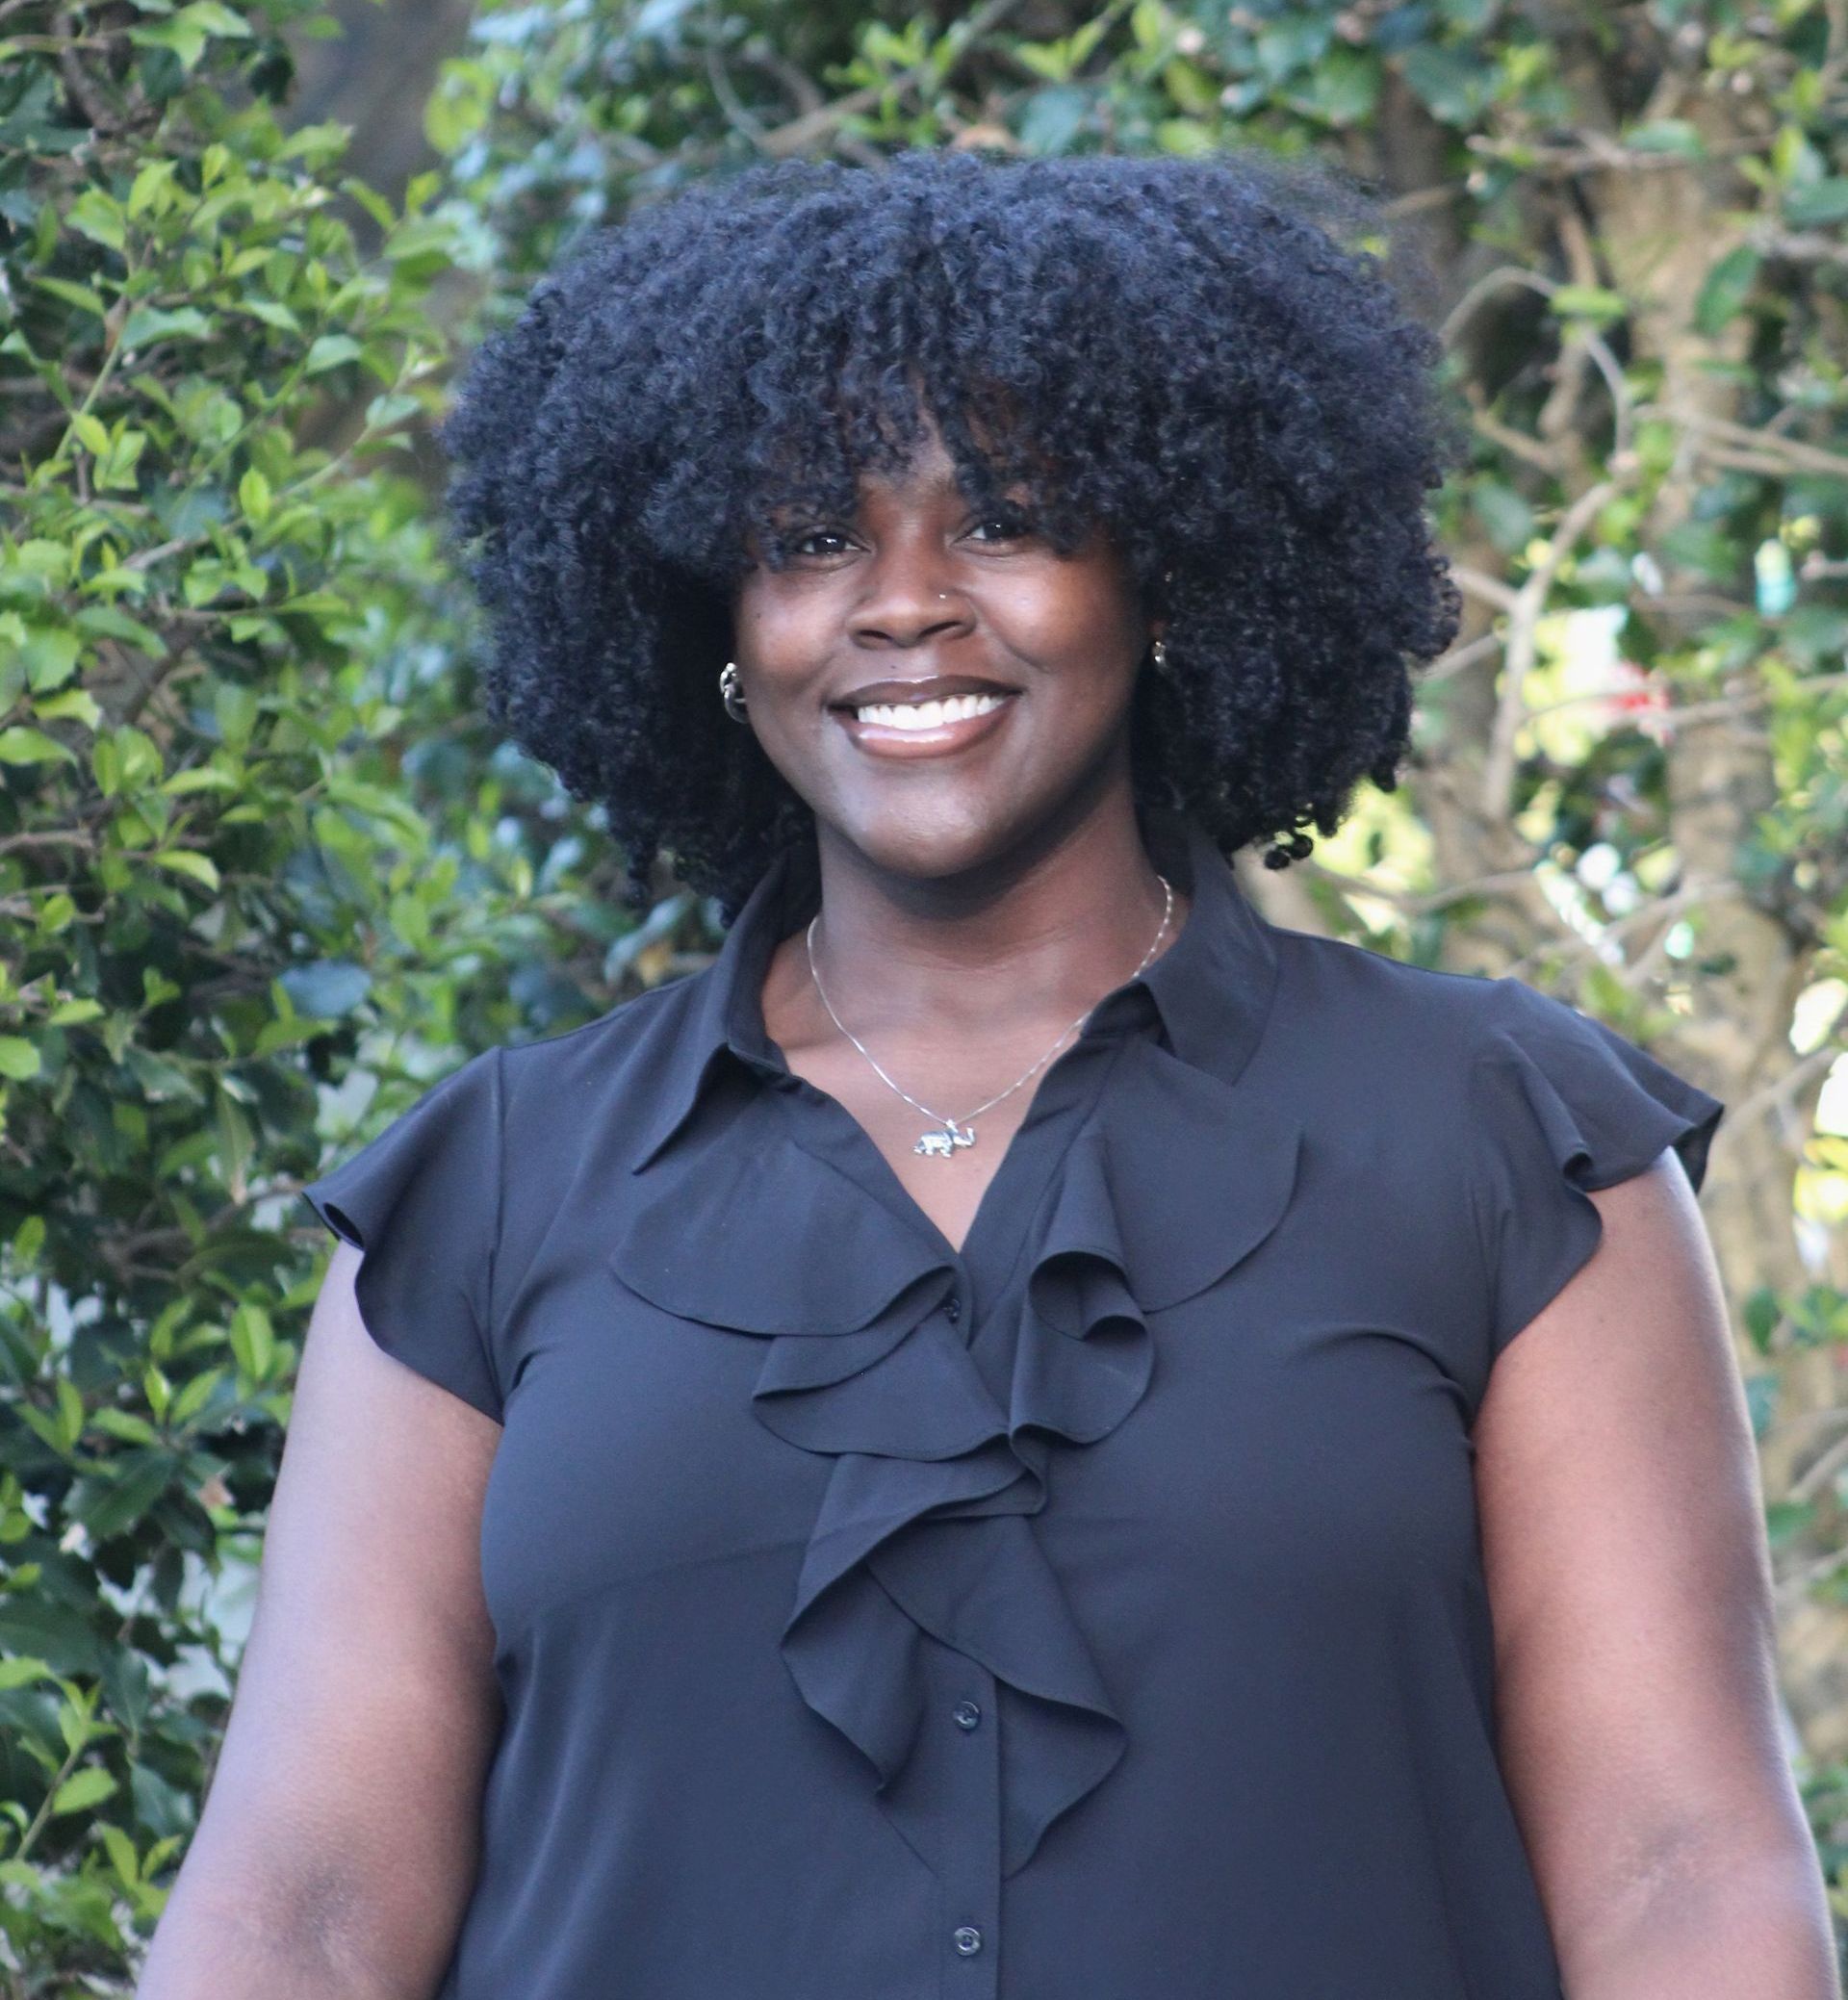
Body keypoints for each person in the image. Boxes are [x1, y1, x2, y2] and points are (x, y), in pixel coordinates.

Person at [137, 148, 1838, 2000]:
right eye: (810, 540)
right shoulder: (488, 1193)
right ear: (720, 627)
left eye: (1005, 520)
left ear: (1166, 578)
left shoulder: (1505, 1142)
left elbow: (1680, 1873)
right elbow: (302, 1912)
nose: (903, 603)